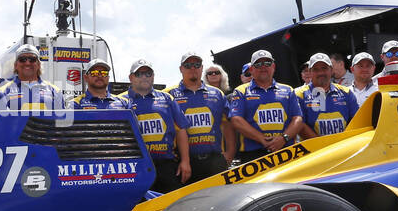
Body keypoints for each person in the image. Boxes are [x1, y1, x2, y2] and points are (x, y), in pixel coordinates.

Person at [122, 58, 190, 192]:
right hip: (135, 168)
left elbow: (181, 130)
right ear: (131, 77)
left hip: (167, 166)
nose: (144, 77)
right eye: (139, 74)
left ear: (153, 76)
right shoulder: (120, 101)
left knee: (170, 208)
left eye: (148, 73)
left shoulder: (167, 98)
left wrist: (185, 161)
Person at [224, 49, 303, 162]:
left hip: (286, 149)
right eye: (258, 64)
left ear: (273, 66)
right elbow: (236, 120)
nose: (263, 67)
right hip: (253, 153)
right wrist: (261, 138)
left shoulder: (288, 90)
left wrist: (283, 138)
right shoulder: (241, 91)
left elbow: (298, 118)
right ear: (251, 69)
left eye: (267, 63)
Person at [169, 50, 228, 180]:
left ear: (202, 68)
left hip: (215, 160)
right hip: (184, 163)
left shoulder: (217, 93)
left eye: (196, 65)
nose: (192, 68)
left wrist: (229, 154)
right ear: (181, 69)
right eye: (188, 65)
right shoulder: (169, 94)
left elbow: (229, 124)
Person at [295, 52, 358, 137]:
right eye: (316, 69)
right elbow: (299, 124)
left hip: (343, 147)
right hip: (315, 149)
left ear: (331, 70)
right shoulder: (299, 94)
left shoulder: (347, 93)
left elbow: (356, 120)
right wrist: (321, 144)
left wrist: (343, 142)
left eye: (324, 68)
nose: (321, 73)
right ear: (310, 72)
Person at [0, 44, 64, 111]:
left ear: (39, 64)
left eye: (32, 59)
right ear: (15, 65)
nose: (27, 63)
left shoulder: (55, 91)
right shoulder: (2, 92)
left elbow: (62, 121)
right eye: (22, 59)